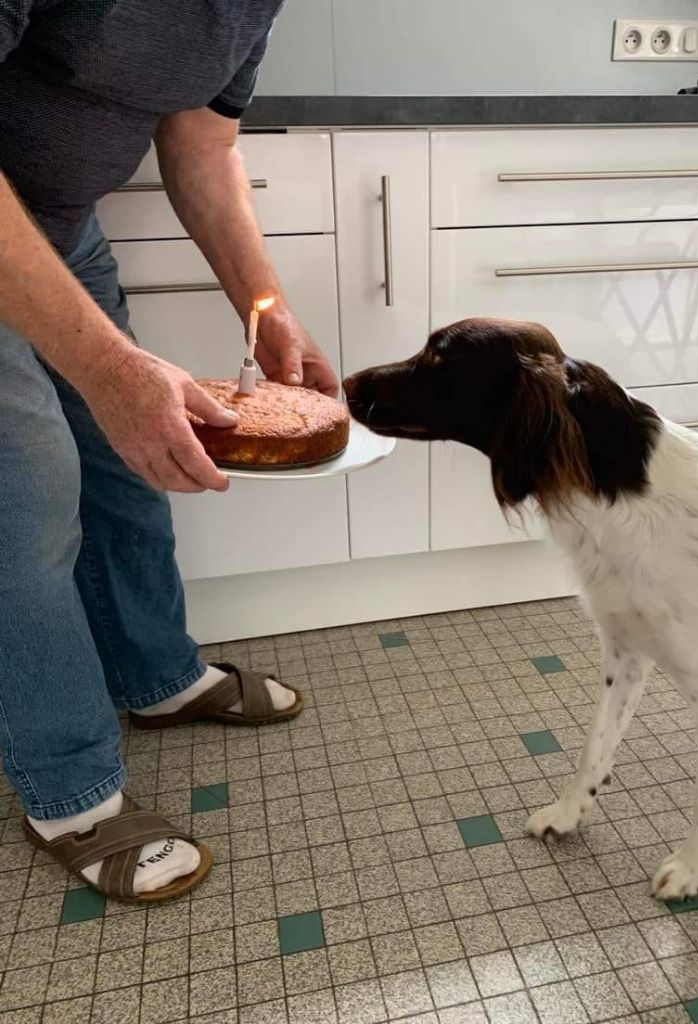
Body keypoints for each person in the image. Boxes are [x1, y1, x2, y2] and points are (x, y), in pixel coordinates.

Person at [0, 0, 337, 902]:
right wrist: (111, 373)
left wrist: (267, 308)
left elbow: (204, 146)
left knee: (124, 468)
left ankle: (156, 678)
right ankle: (68, 790)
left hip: (58, 234)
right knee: (23, 497)